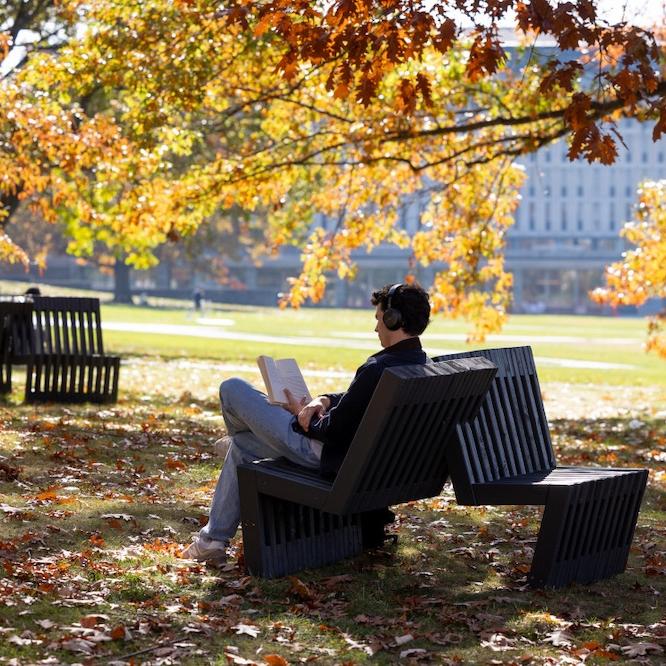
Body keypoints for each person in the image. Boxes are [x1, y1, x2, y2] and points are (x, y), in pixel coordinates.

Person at [182, 282, 432, 566]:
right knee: (241, 447)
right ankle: (211, 542)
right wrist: (323, 401)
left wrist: (300, 414)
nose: (376, 328)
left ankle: (254, 438)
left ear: (393, 319)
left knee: (232, 389)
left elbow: (332, 431)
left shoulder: (377, 369)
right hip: (372, 468)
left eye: (378, 319)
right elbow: (356, 402)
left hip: (328, 457)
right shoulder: (420, 365)